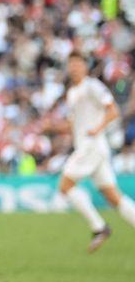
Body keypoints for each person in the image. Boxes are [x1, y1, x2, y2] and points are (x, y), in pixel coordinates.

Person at [57, 51, 135, 252]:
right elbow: (73, 126)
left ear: (85, 66)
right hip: (91, 147)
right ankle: (100, 227)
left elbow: (113, 111)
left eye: (77, 63)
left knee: (65, 185)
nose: (73, 67)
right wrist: (51, 126)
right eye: (71, 63)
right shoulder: (72, 92)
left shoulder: (92, 86)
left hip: (91, 146)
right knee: (113, 196)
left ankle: (99, 227)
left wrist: (97, 129)